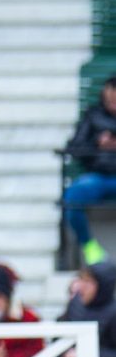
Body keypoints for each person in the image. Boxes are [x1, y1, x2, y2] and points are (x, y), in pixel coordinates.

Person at [63, 74, 116, 261]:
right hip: (98, 176)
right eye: (110, 98)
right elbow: (74, 147)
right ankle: (90, 247)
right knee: (74, 195)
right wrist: (97, 143)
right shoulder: (93, 116)